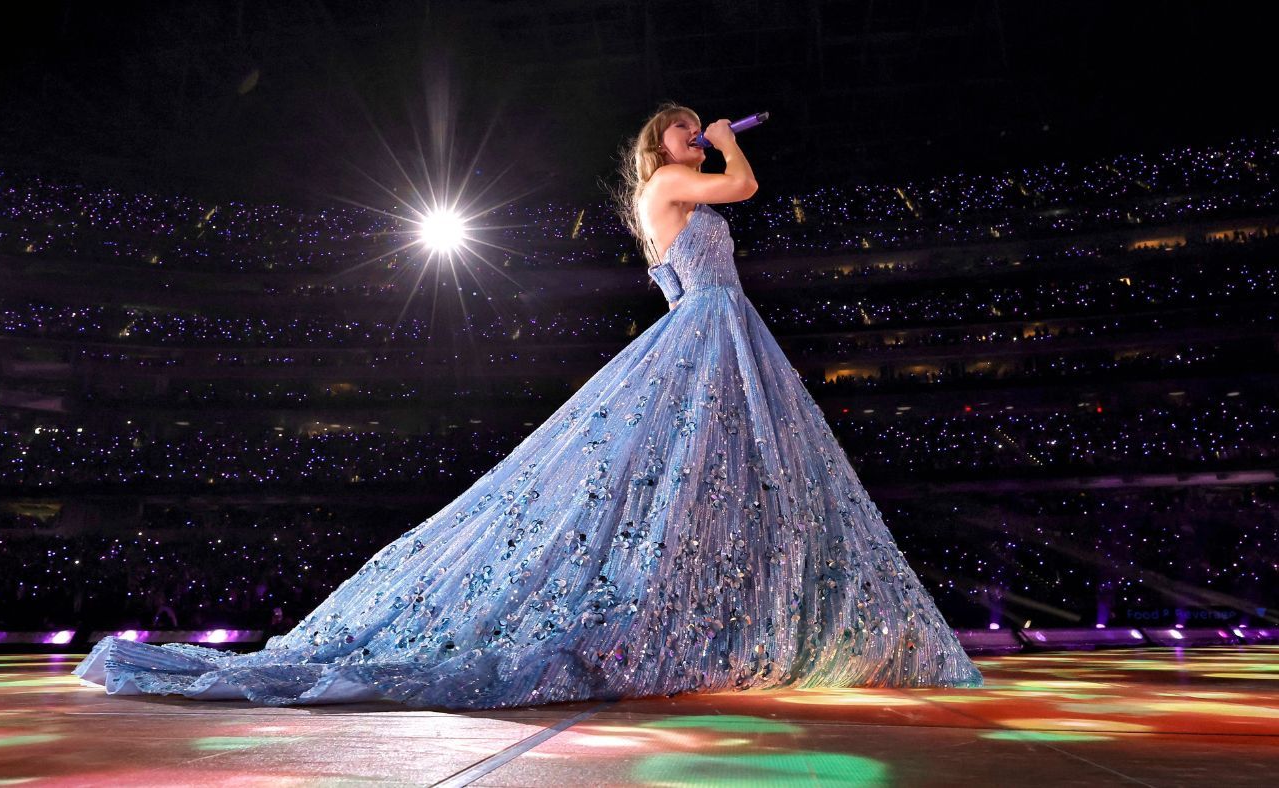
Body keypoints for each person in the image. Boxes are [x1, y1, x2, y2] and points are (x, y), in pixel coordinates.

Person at [73, 103, 983, 708]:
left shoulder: (670, 183)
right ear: (658, 147)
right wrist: (728, 140)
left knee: (723, 483)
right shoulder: (666, 185)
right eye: (681, 129)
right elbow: (741, 188)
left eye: (695, 127)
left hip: (724, 333)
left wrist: (714, 137)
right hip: (707, 334)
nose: (694, 135)